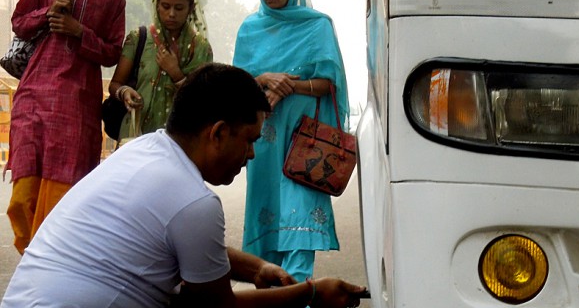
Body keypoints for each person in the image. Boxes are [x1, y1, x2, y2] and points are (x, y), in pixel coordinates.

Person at [1, 63, 366, 308]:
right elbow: (213, 306)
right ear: (219, 133)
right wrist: (312, 292)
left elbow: (175, 241)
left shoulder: (143, 149)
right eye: (250, 139)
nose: (252, 154)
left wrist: (256, 269)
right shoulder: (195, 202)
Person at [5, 0, 127, 254]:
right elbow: (19, 22)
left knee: (63, 197)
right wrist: (49, 12)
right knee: (23, 198)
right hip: (35, 96)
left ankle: (50, 263)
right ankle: (34, 258)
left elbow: (113, 51)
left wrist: (78, 31)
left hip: (78, 107)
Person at [233, 0, 350, 283]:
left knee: (299, 218)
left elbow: (329, 84)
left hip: (306, 141)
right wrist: (266, 78)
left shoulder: (316, 26)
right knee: (268, 215)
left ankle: (296, 296)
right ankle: (272, 293)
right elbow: (238, 83)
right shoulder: (250, 29)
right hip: (265, 141)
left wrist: (290, 86)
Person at [109, 0, 213, 141]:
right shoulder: (139, 38)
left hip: (180, 137)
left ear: (190, 8)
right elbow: (115, 84)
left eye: (179, 8)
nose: (171, 14)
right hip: (136, 133)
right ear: (157, 5)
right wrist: (125, 92)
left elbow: (202, 99)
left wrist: (176, 73)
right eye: (166, 6)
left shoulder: (200, 47)